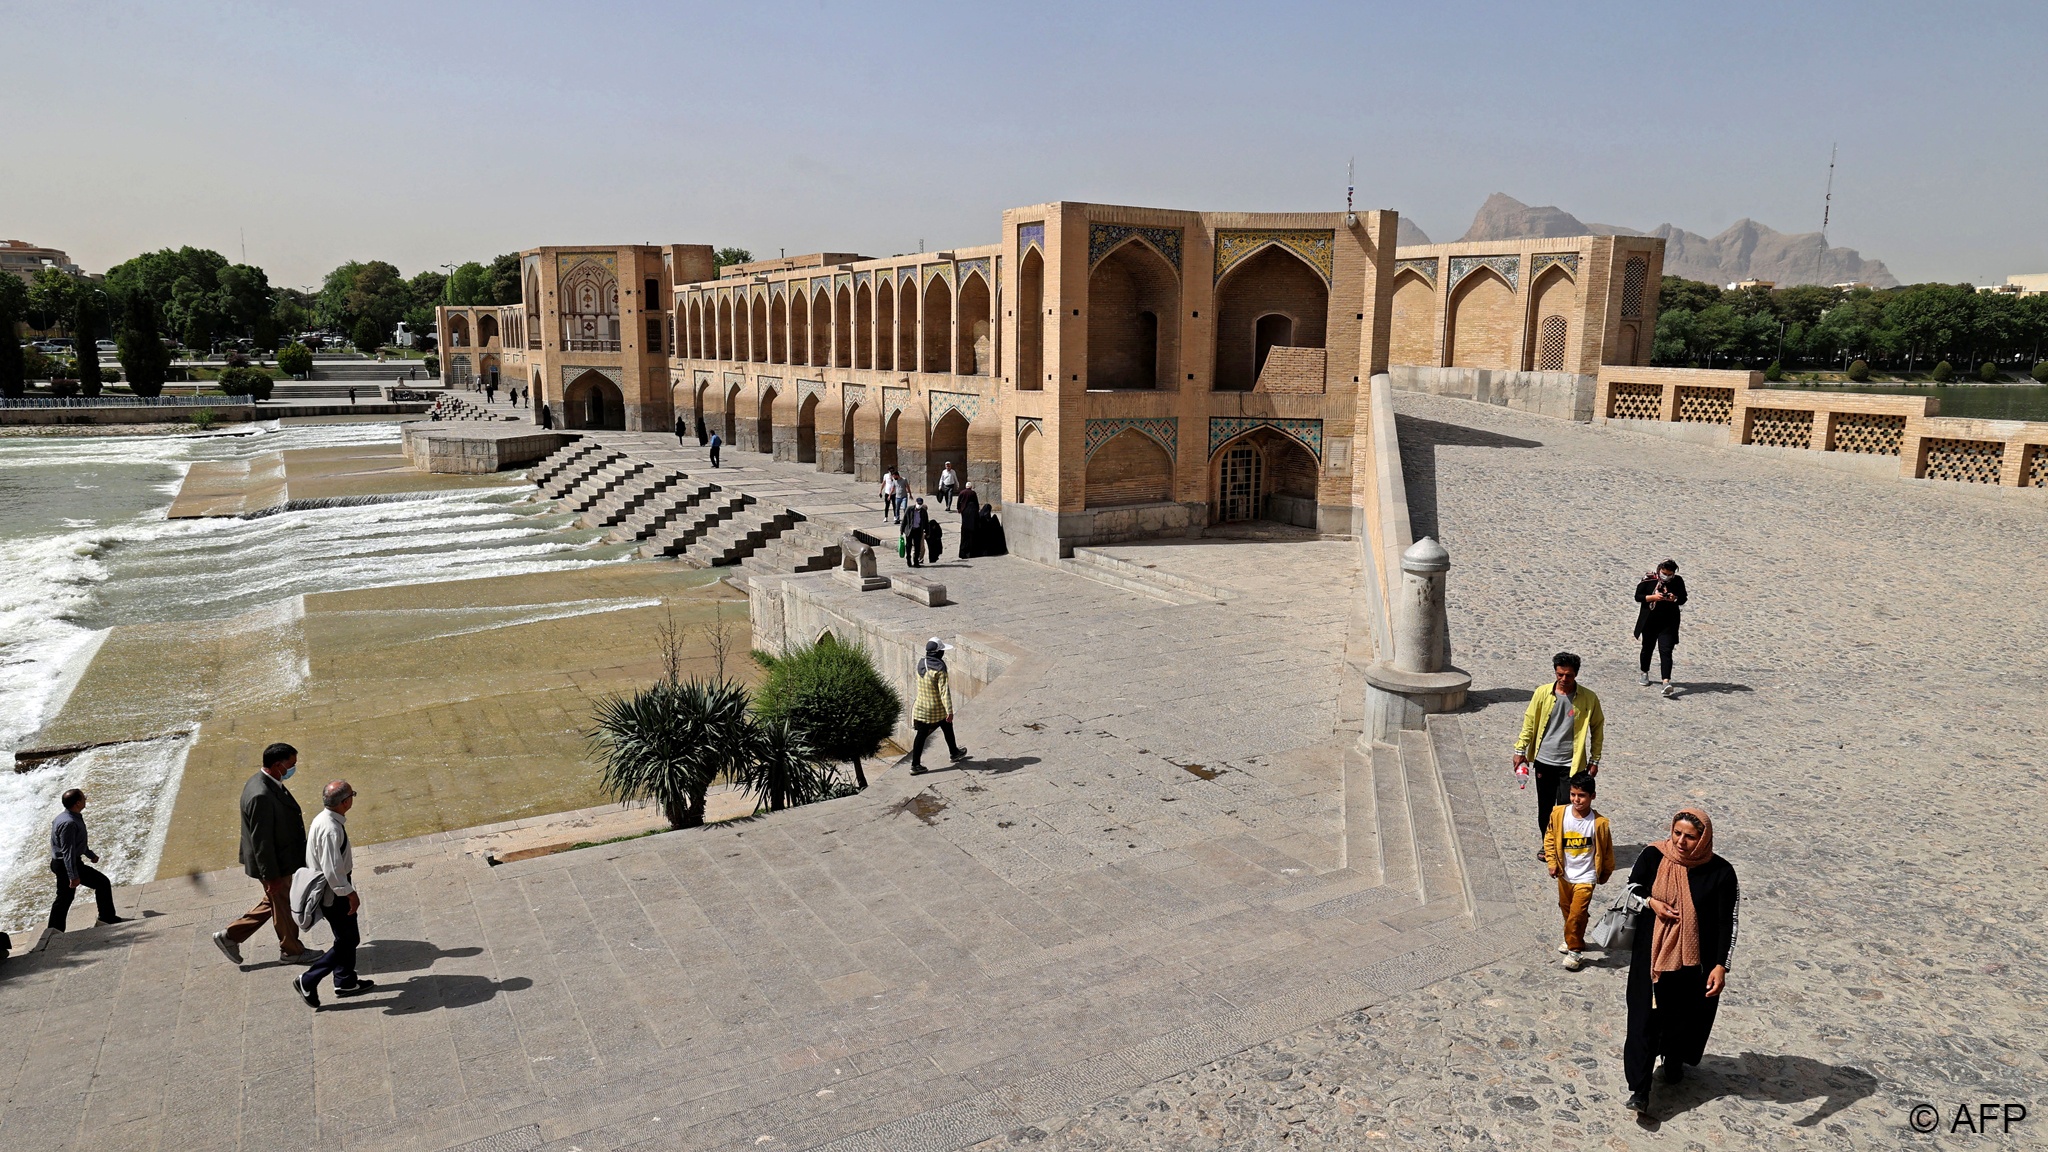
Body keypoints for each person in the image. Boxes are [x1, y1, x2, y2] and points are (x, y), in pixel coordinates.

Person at [1622, 808, 1739, 1114]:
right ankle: (1640, 1089)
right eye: (1677, 833)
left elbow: (1727, 922)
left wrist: (1720, 965)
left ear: (1704, 839)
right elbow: (1631, 890)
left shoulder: (1721, 873)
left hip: (1692, 966)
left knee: (1679, 1019)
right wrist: (1652, 903)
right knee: (1643, 1020)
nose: (1681, 842)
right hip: (1650, 961)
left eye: (1690, 836)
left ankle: (1673, 1058)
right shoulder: (1653, 856)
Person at [214, 742, 314, 965]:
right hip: (275, 864)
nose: (293, 768)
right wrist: (271, 876)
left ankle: (230, 936)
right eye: (291, 764)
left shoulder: (264, 781)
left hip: (279, 860)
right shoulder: (261, 794)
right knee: (283, 905)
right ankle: (291, 951)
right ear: (278, 765)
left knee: (274, 902)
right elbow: (262, 841)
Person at [292, 781, 375, 1009]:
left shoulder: (324, 819)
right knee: (349, 939)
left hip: (332, 888)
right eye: (352, 796)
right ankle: (308, 980)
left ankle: (345, 981)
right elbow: (333, 870)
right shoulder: (331, 829)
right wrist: (349, 894)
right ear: (345, 802)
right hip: (335, 892)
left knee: (344, 937)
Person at [1513, 652, 1604, 855]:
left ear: (1576, 675)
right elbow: (1529, 722)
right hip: (1544, 761)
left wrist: (1594, 758)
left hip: (1571, 763)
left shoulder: (1589, 698)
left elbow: (1597, 727)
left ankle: (1561, 845)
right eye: (1560, 674)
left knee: (1565, 807)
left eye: (1568, 675)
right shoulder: (1542, 693)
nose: (1564, 679)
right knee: (1545, 807)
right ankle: (1548, 845)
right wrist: (1520, 750)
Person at [1544, 772, 1613, 971]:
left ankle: (1575, 952)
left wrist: (1605, 872)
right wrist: (1551, 862)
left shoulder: (1599, 823)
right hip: (1565, 874)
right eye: (1573, 794)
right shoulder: (1559, 814)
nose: (1576, 799)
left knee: (1576, 913)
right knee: (1567, 910)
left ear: (1592, 796)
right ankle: (1574, 937)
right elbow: (1550, 839)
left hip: (1587, 876)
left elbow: (1606, 850)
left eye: (1581, 796)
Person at [48, 788, 123, 931]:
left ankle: (53, 930)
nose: (85, 800)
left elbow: (77, 842)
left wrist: (90, 854)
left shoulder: (67, 817)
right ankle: (106, 918)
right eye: (84, 798)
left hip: (65, 863)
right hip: (67, 864)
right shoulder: (68, 823)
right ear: (77, 803)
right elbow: (68, 851)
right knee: (101, 883)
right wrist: (73, 876)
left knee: (64, 898)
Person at [909, 638, 968, 773]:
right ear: (938, 653)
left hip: (920, 707)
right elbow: (944, 691)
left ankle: (915, 765)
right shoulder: (940, 668)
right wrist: (950, 711)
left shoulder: (921, 663)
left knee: (921, 734)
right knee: (947, 725)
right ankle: (954, 752)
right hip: (936, 708)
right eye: (942, 651)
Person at [1634, 560, 1688, 698]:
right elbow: (1638, 597)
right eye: (1664, 573)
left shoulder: (1677, 581)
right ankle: (1644, 672)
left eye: (1670, 574)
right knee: (1647, 648)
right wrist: (1653, 597)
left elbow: (1683, 598)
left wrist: (1674, 598)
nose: (1666, 577)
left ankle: (1666, 682)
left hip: (1668, 623)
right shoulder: (1648, 579)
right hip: (1650, 622)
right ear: (1659, 570)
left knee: (1666, 651)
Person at [955, 482, 980, 559]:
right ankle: (971, 552)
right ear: (971, 487)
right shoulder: (973, 493)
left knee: (964, 534)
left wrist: (959, 508)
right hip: (972, 516)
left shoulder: (962, 492)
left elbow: (958, 501)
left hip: (964, 513)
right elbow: (976, 503)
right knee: (972, 534)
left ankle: (963, 553)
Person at [902, 498, 927, 566]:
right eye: (918, 504)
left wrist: (927, 531)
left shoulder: (923, 512)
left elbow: (926, 522)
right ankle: (908, 560)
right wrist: (902, 530)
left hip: (918, 530)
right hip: (910, 530)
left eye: (920, 504)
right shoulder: (909, 509)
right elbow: (904, 520)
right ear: (916, 503)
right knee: (908, 546)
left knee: (917, 547)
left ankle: (916, 562)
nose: (919, 505)